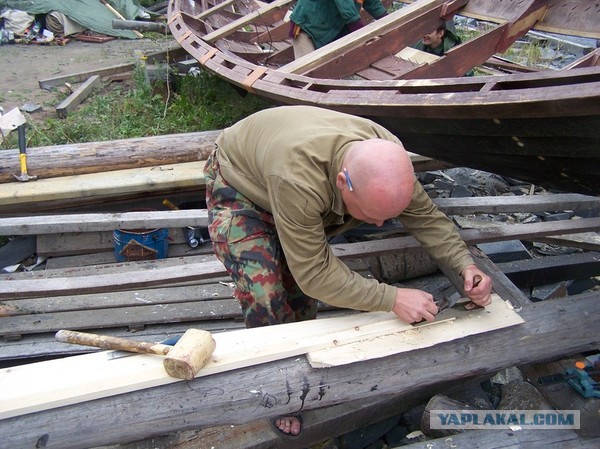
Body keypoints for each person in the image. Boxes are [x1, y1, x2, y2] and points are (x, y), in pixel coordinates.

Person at [203, 105, 492, 437]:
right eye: (372, 214)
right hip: (242, 186)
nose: (380, 224)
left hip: (290, 179)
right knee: (266, 295)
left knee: (299, 298)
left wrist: (464, 265)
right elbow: (315, 274)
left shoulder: (387, 161)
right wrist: (392, 297)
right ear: (343, 182)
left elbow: (425, 218)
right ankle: (278, 391)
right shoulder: (299, 177)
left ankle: (300, 360)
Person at [288, 0, 388, 59]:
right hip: (306, 26)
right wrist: (364, 35)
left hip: (330, 28)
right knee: (306, 74)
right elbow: (346, 7)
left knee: (326, 74)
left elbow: (373, 4)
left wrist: (389, 21)